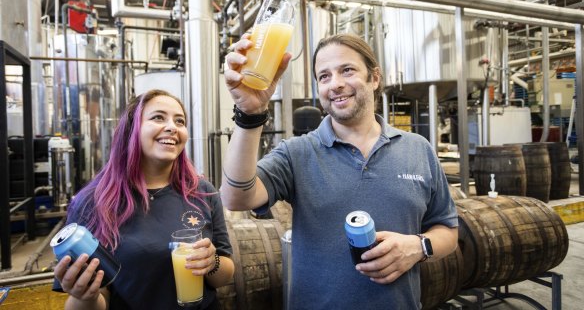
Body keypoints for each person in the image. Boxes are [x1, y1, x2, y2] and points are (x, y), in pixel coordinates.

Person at [221, 33, 458, 309]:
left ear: (375, 78)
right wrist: (249, 113)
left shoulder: (418, 149)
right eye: (324, 76)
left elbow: (448, 231)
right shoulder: (297, 152)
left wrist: (419, 247)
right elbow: (236, 197)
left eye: (347, 70)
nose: (335, 84)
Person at [53, 89, 234, 310]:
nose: (172, 127)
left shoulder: (202, 191)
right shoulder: (92, 202)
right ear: (132, 129)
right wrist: (85, 296)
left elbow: (224, 275)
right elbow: (93, 300)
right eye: (158, 117)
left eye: (180, 121)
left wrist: (212, 261)